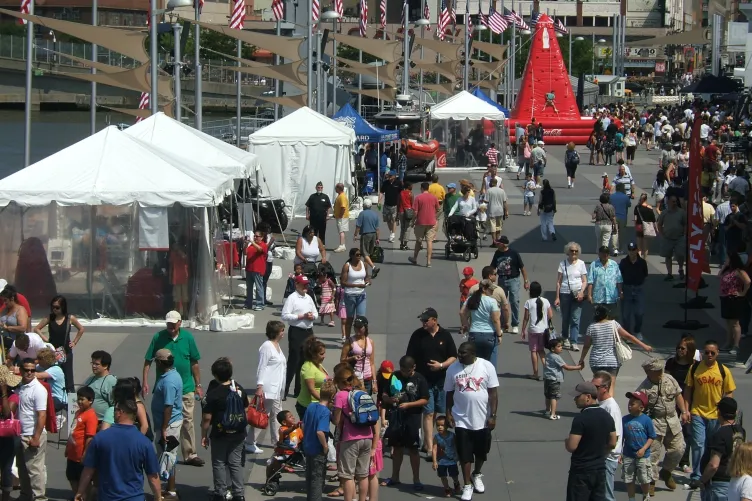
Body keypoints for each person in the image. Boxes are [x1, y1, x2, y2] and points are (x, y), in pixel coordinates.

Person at [143, 311, 204, 467]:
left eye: (173, 323)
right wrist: (145, 382)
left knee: (187, 421)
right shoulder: (158, 337)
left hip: (186, 387)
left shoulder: (188, 338)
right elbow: (148, 360)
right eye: (168, 323)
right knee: (165, 419)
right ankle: (166, 451)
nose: (170, 326)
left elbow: (194, 362)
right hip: (164, 388)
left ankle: (190, 454)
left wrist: (198, 385)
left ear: (180, 322)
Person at [75, 399, 162, 501]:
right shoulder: (144, 442)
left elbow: (88, 470)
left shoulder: (100, 438)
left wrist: (80, 491)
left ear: (120, 412)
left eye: (115, 410)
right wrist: (158, 497)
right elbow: (153, 476)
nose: (113, 413)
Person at [444, 342, 499, 501]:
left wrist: (493, 415)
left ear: (473, 353)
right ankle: (467, 485)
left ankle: (477, 474)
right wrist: (448, 413)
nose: (460, 356)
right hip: (461, 419)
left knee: (481, 452)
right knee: (465, 454)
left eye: (463, 353)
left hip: (482, 419)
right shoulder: (453, 369)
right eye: (459, 353)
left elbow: (493, 393)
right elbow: (448, 393)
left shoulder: (486, 366)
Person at [406, 307, 457, 458]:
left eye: (426, 320)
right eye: (422, 320)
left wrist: (441, 366)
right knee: (428, 412)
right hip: (424, 381)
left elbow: (453, 356)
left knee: (437, 411)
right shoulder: (417, 335)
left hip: (441, 381)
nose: (423, 323)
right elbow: (410, 356)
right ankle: (429, 447)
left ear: (434, 320)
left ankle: (432, 441)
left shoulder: (445, 335)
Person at [684, 340, 737, 482]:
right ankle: (697, 476)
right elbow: (688, 389)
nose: (709, 355)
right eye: (706, 352)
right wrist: (686, 410)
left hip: (716, 415)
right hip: (698, 412)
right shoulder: (694, 368)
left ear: (717, 353)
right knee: (698, 444)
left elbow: (729, 392)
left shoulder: (723, 370)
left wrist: (725, 412)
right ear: (702, 352)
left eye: (712, 352)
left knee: (712, 446)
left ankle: (709, 473)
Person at [635, 358, 688, 494]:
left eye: (661, 370)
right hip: (655, 423)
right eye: (656, 371)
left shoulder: (669, 379)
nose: (660, 373)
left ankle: (666, 471)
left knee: (679, 448)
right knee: (653, 455)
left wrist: (684, 411)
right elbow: (636, 406)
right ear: (648, 372)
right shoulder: (644, 388)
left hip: (672, 421)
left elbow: (678, 395)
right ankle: (651, 481)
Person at [201, 358, 249, 501]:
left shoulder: (214, 394)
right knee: (235, 463)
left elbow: (207, 419)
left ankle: (220, 492)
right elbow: (246, 408)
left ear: (215, 375)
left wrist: (204, 435)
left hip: (220, 433)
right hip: (238, 432)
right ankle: (239, 493)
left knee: (219, 463)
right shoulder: (239, 389)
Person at [578, 305, 653, 398]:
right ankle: (609, 407)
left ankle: (600, 404)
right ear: (606, 314)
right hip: (611, 361)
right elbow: (629, 336)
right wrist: (644, 346)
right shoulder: (613, 324)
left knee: (599, 385)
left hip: (596, 361)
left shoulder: (591, 327)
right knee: (610, 385)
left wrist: (581, 360)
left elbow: (586, 346)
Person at [380, 356, 429, 489]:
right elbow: (384, 393)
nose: (403, 372)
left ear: (413, 368)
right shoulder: (395, 375)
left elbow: (425, 399)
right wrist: (389, 400)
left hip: (413, 418)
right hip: (397, 417)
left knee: (413, 449)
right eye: (401, 369)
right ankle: (395, 477)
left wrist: (409, 405)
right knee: (396, 448)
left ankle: (416, 480)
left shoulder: (420, 379)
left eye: (406, 370)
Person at [565, 382, 617, 501]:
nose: (575, 399)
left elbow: (572, 446)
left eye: (578, 396)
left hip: (581, 472)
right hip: (600, 470)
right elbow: (613, 442)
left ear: (588, 397)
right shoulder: (607, 416)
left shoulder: (581, 419)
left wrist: (566, 442)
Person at [332, 366, 378, 501]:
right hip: (367, 437)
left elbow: (337, 420)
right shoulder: (361, 392)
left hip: (350, 438)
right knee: (363, 474)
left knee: (348, 475)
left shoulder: (340, 395)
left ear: (339, 382)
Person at [693, 397, 746, 498]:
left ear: (719, 413)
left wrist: (702, 480)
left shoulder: (720, 434)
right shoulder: (741, 431)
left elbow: (714, 465)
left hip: (719, 484)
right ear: (735, 412)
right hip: (735, 479)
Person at [12, 358, 48, 501]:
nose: (30, 373)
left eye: (33, 370)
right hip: (20, 433)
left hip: (32, 434)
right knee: (22, 468)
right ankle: (25, 495)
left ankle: (40, 498)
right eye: (26, 370)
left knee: (35, 471)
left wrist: (36, 437)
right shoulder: (20, 386)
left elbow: (42, 415)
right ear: (21, 370)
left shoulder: (39, 389)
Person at [248, 321, 286, 454]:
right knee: (262, 415)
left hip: (277, 388)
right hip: (268, 387)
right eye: (282, 330)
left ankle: (277, 441)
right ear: (276, 332)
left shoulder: (277, 346)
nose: (283, 333)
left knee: (277, 415)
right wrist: (260, 386)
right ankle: (250, 442)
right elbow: (262, 367)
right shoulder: (266, 347)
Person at [150, 348, 183, 498]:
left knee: (167, 457)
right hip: (168, 423)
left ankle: (170, 490)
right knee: (169, 457)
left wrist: (164, 428)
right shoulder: (171, 375)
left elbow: (168, 406)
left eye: (156, 361)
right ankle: (170, 488)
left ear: (160, 362)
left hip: (168, 424)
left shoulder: (169, 381)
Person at [34, 294, 83, 392]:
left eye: (57, 307)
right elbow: (36, 328)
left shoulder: (70, 318)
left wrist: (74, 342)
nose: (54, 309)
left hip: (66, 352)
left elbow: (81, 329)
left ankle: (72, 406)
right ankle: (56, 401)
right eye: (52, 307)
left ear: (63, 307)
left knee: (68, 379)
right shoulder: (50, 318)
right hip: (52, 352)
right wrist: (45, 338)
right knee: (52, 377)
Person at [281, 275, 317, 399]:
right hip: (296, 331)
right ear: (297, 285)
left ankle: (298, 389)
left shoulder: (309, 297)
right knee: (293, 361)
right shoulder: (292, 298)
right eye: (303, 285)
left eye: (307, 285)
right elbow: (285, 315)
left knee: (305, 361)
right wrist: (300, 316)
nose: (305, 287)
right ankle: (284, 390)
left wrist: (313, 316)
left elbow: (315, 312)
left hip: (308, 331)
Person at [592, 371, 623, 501]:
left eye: (596, 387)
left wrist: (602, 452)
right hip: (601, 455)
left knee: (606, 495)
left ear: (605, 388)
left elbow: (615, 436)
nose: (593, 389)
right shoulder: (600, 403)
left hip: (607, 457)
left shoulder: (611, 407)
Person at [622, 391, 657, 501]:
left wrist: (643, 449)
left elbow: (651, 437)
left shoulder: (646, 420)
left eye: (632, 404)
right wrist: (619, 453)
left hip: (643, 455)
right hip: (628, 454)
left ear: (641, 407)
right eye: (629, 403)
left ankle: (645, 494)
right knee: (629, 479)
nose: (629, 406)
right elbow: (621, 437)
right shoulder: (624, 419)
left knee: (644, 478)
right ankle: (631, 498)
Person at [490, 236, 529, 334]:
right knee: (502, 302)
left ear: (503, 244)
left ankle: (515, 324)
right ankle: (503, 324)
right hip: (502, 279)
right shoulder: (497, 253)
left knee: (514, 301)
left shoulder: (514, 253)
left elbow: (522, 268)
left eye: (498, 243)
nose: (496, 244)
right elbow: (492, 267)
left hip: (513, 280)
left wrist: (526, 281)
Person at [303, 380, 334, 501]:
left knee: (309, 476)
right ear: (332, 397)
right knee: (318, 478)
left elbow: (303, 425)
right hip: (318, 449)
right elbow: (320, 432)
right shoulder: (325, 412)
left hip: (308, 446)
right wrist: (325, 446)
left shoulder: (311, 406)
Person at [460, 282, 503, 368]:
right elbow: (496, 319)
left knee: (475, 361)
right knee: (490, 364)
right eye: (490, 289)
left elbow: (462, 313)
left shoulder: (471, 299)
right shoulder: (492, 301)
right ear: (484, 289)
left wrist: (467, 326)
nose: (492, 291)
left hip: (474, 333)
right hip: (489, 334)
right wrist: (499, 334)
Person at [65, 386, 97, 499]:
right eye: (78, 399)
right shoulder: (79, 412)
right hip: (72, 454)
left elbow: (90, 437)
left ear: (90, 400)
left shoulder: (91, 415)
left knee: (84, 481)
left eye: (82, 399)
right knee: (71, 477)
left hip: (81, 456)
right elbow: (73, 431)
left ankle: (88, 497)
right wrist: (67, 449)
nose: (79, 402)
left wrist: (85, 453)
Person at [556, 242, 587, 352]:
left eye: (576, 251)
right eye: (572, 250)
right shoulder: (562, 264)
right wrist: (557, 297)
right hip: (565, 293)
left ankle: (574, 341)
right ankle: (565, 337)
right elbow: (558, 282)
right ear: (567, 252)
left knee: (575, 318)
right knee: (566, 317)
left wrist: (582, 292)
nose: (574, 252)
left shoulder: (581, 264)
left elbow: (584, 281)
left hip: (577, 294)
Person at [719, 253, 750, 356]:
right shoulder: (727, 270)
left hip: (734, 299)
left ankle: (736, 345)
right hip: (725, 298)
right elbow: (718, 276)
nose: (726, 260)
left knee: (735, 323)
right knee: (728, 323)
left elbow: (748, 281)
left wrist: (742, 293)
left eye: (727, 258)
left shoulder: (739, 271)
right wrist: (724, 266)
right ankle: (728, 342)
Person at [543, 339, 582, 420]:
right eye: (559, 346)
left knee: (548, 395)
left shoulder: (548, 355)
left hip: (547, 378)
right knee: (554, 396)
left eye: (561, 346)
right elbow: (566, 367)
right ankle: (553, 414)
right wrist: (578, 367)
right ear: (553, 349)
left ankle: (547, 410)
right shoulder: (557, 357)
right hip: (555, 379)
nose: (561, 348)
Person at [521, 281, 552, 380]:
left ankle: (535, 373)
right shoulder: (546, 301)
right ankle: (548, 371)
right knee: (541, 351)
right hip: (543, 330)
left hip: (533, 330)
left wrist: (523, 330)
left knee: (533, 351)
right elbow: (551, 315)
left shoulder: (528, 302)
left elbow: (526, 318)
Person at [467, 266, 511, 332]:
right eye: (495, 274)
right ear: (490, 276)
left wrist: (467, 324)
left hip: (475, 328)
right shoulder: (499, 290)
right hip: (492, 328)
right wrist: (506, 322)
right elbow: (505, 308)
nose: (496, 276)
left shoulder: (473, 289)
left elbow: (466, 308)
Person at [340, 316, 376, 394]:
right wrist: (352, 358)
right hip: (354, 377)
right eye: (356, 327)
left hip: (368, 377)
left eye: (360, 327)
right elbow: (342, 360)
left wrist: (374, 381)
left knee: (366, 402)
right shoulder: (349, 341)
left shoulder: (370, 341)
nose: (357, 329)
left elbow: (372, 363)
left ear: (365, 327)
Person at [0, 365, 21, 501]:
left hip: (7, 438)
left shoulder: (13, 396)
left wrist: (3, 394)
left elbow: (7, 414)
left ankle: (6, 496)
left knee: (6, 467)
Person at [619, 243, 648, 340]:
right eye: (630, 250)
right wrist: (620, 291)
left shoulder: (642, 262)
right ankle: (627, 333)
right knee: (626, 314)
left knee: (639, 313)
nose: (632, 252)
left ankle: (637, 330)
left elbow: (645, 274)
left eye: (633, 250)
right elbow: (619, 277)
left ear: (636, 250)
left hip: (638, 289)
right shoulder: (623, 262)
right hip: (626, 289)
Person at [296, 337, 329, 420]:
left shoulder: (318, 364)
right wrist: (324, 401)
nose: (324, 356)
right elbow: (312, 390)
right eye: (321, 354)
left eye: (324, 353)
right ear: (313, 355)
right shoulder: (308, 367)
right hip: (308, 406)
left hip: (319, 404)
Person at [340, 249, 371, 338]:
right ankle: (348, 339)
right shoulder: (347, 266)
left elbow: (366, 277)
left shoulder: (364, 264)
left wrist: (368, 281)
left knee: (361, 319)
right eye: (357, 255)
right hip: (350, 295)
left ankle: (361, 338)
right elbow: (343, 282)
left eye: (360, 255)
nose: (359, 256)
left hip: (361, 295)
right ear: (352, 256)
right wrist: (357, 285)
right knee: (350, 319)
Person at [587, 246, 623, 321]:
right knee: (598, 320)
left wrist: (620, 292)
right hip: (598, 298)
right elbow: (590, 281)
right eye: (603, 253)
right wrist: (589, 295)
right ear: (599, 254)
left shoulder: (614, 264)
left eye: (607, 253)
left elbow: (618, 280)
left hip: (612, 298)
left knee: (612, 320)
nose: (605, 255)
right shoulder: (593, 265)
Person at [656, 194, 687, 281]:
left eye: (676, 201)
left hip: (679, 238)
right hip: (667, 238)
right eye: (673, 201)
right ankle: (669, 273)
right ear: (668, 202)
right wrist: (662, 234)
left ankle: (680, 268)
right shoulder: (664, 213)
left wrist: (684, 234)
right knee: (668, 256)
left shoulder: (681, 212)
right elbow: (659, 224)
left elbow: (685, 224)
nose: (675, 203)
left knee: (680, 255)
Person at [409, 182, 439, 268]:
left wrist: (413, 221)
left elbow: (415, 212)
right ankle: (428, 262)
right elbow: (437, 209)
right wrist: (434, 217)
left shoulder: (418, 197)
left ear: (422, 188)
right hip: (431, 222)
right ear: (428, 188)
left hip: (421, 222)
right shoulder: (434, 197)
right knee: (429, 241)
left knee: (418, 240)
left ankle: (415, 258)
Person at [83, 350, 117, 422]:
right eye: (92, 363)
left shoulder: (111, 381)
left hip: (102, 423)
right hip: (87, 420)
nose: (93, 366)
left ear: (105, 366)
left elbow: (115, 406)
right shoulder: (90, 379)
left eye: (97, 364)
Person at [432, 415, 461, 497]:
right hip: (441, 461)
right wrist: (434, 461)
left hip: (452, 460)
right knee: (443, 476)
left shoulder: (452, 436)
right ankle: (447, 488)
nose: (440, 427)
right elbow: (434, 449)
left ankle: (456, 483)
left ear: (447, 426)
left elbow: (456, 446)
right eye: (438, 425)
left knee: (454, 475)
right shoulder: (436, 437)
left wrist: (458, 456)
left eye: (442, 425)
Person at [354, 199, 381, 278]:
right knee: (368, 255)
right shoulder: (375, 214)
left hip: (366, 234)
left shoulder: (362, 214)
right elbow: (377, 228)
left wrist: (355, 235)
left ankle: (373, 267)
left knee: (364, 253)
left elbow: (358, 226)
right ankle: (366, 273)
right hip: (373, 235)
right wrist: (377, 238)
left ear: (364, 206)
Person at [34, 348, 66, 412]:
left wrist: (27, 371)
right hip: (49, 397)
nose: (38, 361)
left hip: (58, 399)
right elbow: (32, 367)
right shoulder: (42, 366)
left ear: (45, 360)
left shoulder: (56, 369)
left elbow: (38, 375)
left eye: (40, 359)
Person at [244, 230, 268, 311]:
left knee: (259, 288)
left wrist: (251, 242)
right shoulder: (251, 246)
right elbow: (245, 252)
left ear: (261, 237)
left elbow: (260, 250)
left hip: (258, 270)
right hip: (249, 269)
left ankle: (260, 304)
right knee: (249, 288)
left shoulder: (263, 245)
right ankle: (248, 304)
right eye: (254, 236)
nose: (255, 237)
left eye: (257, 236)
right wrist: (246, 244)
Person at [169, 240, 190, 317]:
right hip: (176, 277)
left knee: (185, 297)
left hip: (184, 277)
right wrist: (170, 276)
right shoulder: (173, 254)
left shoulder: (183, 254)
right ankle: (177, 313)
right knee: (177, 297)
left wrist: (180, 252)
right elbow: (171, 265)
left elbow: (186, 259)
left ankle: (185, 313)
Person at [609, 184, 631, 255]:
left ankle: (615, 248)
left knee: (614, 232)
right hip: (623, 217)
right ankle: (621, 248)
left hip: (613, 217)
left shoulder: (611, 196)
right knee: (622, 233)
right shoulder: (625, 197)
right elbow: (629, 205)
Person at [398, 181, 415, 251]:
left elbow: (398, 203)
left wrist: (397, 214)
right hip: (409, 212)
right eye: (411, 185)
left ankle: (401, 243)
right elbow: (412, 204)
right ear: (408, 186)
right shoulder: (411, 194)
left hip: (401, 211)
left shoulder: (400, 193)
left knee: (402, 227)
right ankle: (405, 244)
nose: (412, 187)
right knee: (407, 228)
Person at [334, 182, 350, 253]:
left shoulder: (342, 196)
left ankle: (342, 245)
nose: (335, 189)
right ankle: (342, 244)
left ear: (338, 188)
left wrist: (340, 215)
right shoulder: (341, 195)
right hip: (341, 216)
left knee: (341, 231)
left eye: (336, 188)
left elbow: (343, 207)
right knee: (341, 231)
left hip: (342, 217)